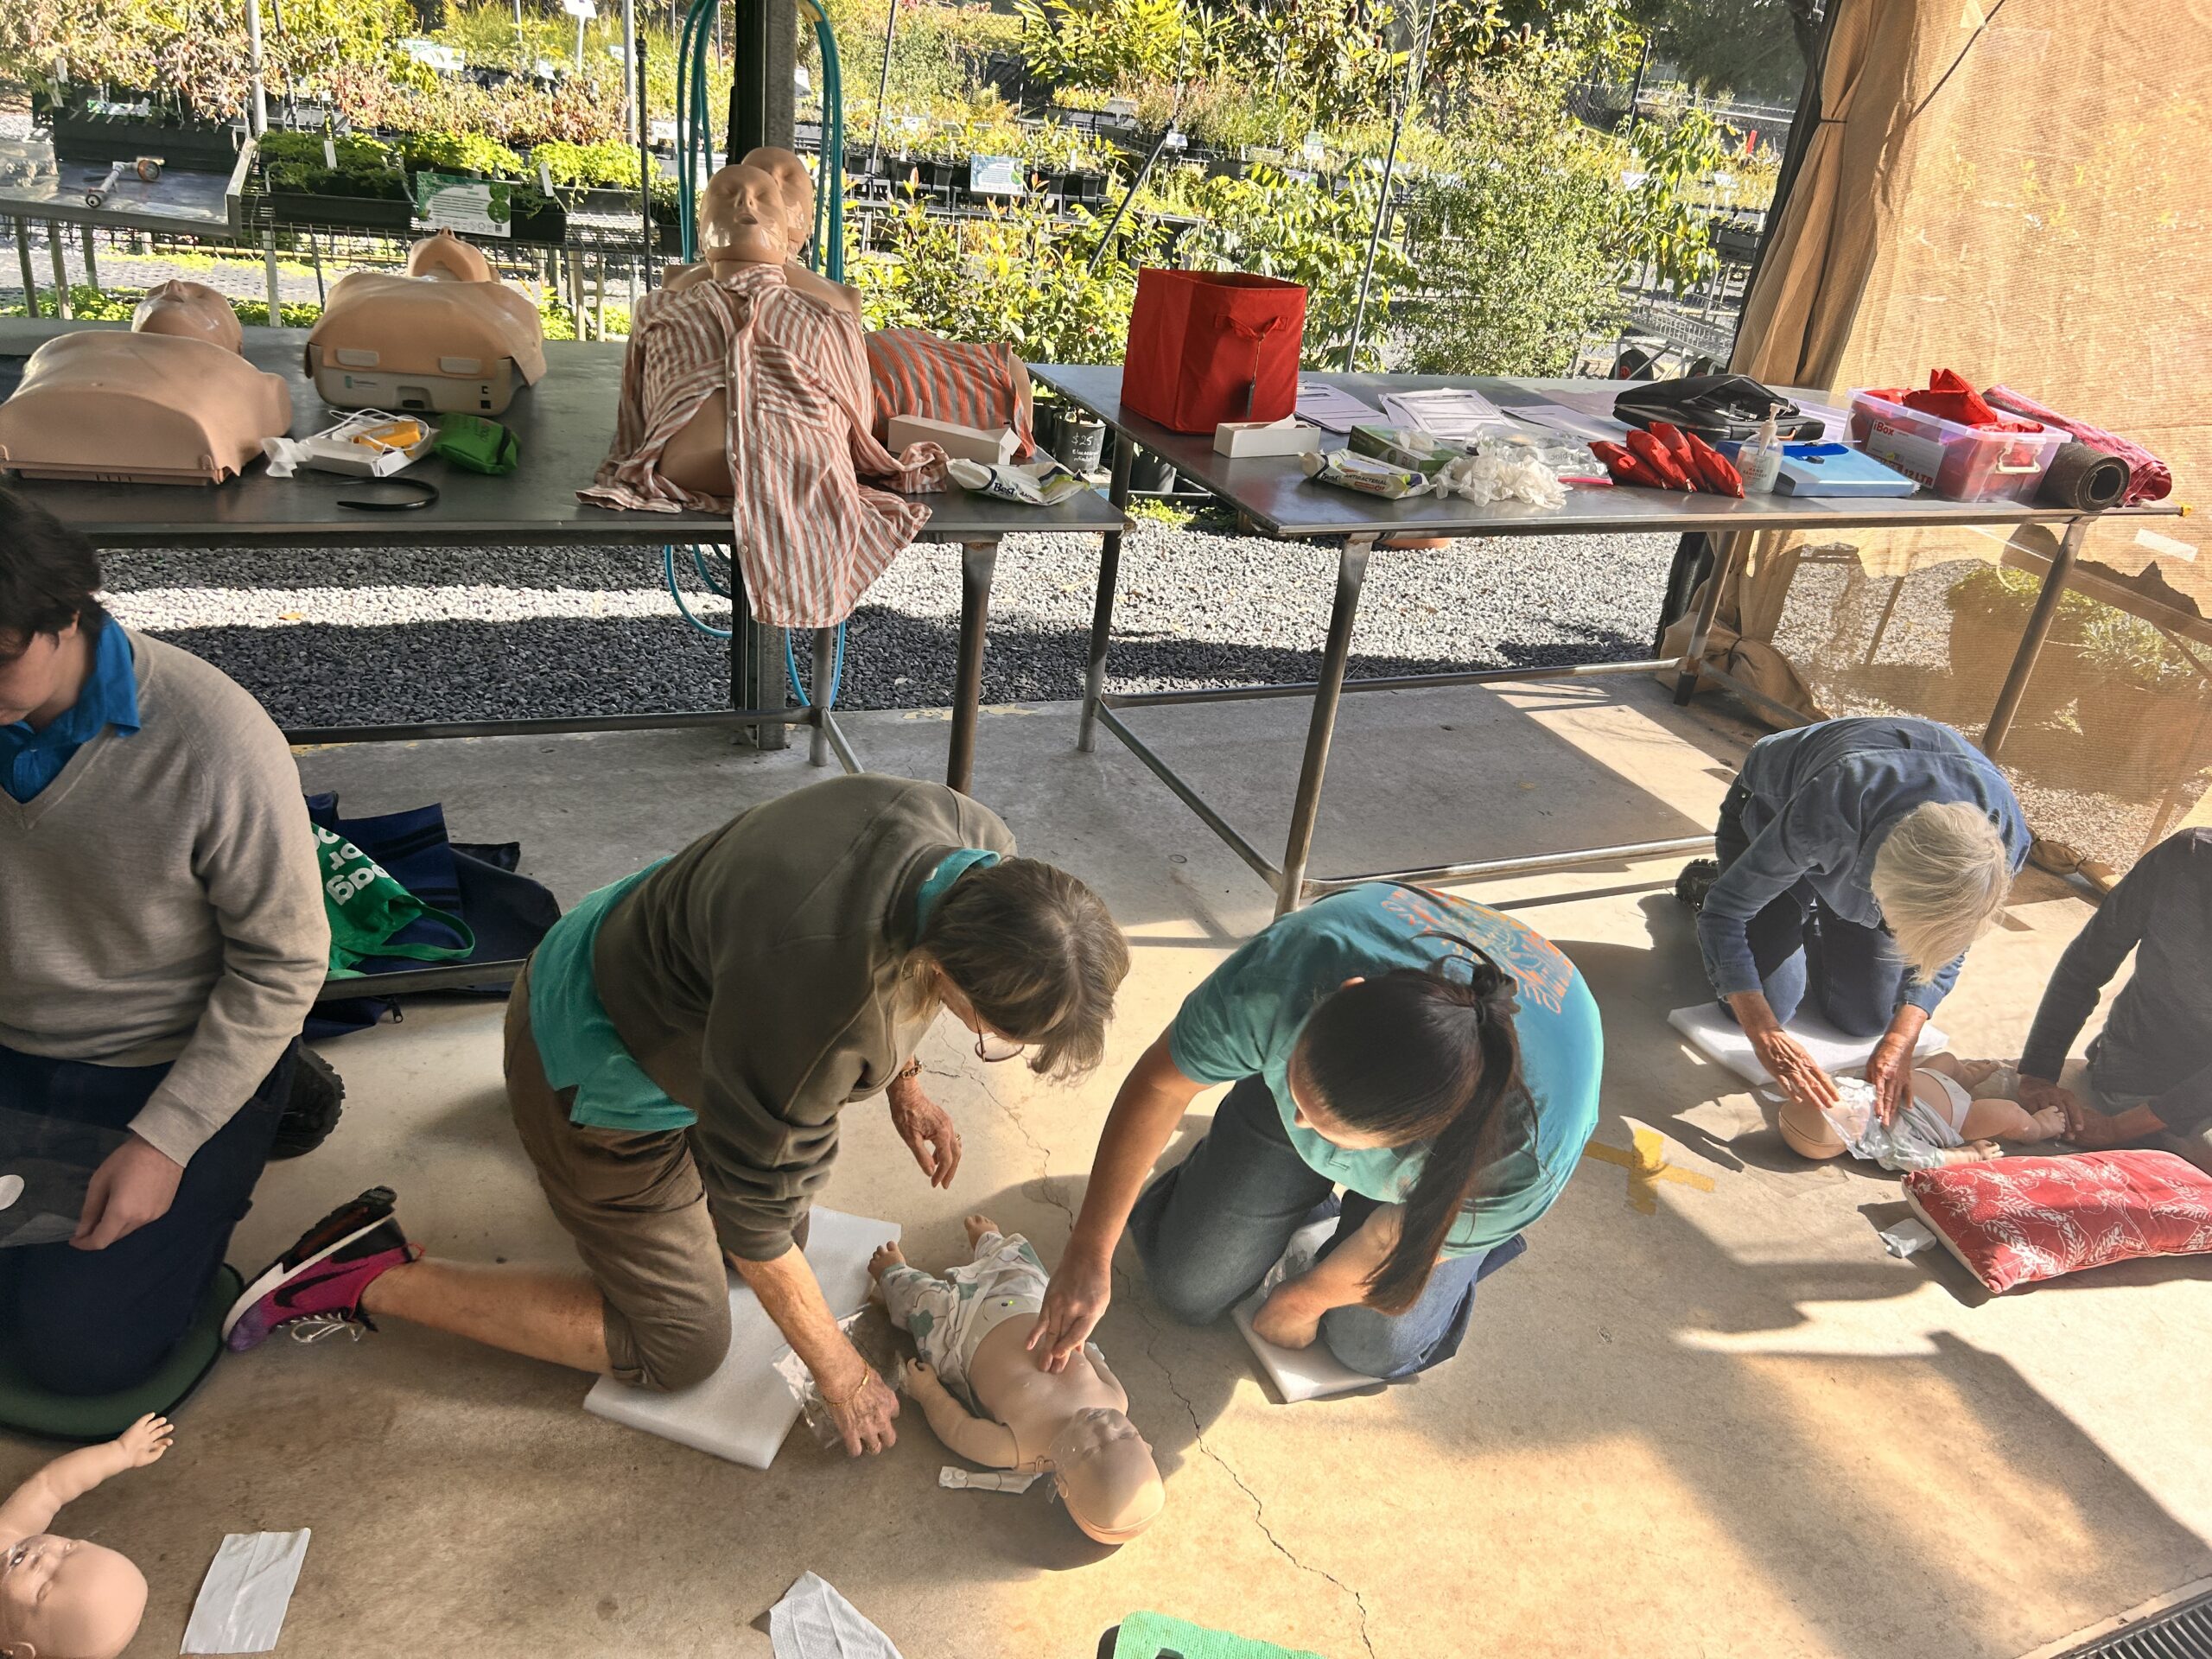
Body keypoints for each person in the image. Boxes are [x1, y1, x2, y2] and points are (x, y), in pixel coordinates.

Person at [228, 775, 1128, 1459]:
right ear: (949, 968)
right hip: (590, 1060)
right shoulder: (822, 1002)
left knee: (786, 1240)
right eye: (992, 1034)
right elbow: (754, 1221)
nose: (981, 1040)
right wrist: (841, 1373)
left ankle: (562, 1162)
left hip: (640, 949)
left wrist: (904, 1083)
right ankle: (363, 1271)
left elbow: (904, 989)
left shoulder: (974, 847)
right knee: (682, 1346)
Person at [0, 491, 327, 1397]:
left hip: (160, 1053)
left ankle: (267, 1105)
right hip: (15, 1037)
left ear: (67, 616)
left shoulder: (214, 737)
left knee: (78, 1356)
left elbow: (286, 959)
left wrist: (167, 1140)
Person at [1030, 882, 1603, 1382]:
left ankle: (1467, 1239)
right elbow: (1161, 1086)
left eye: (1330, 1130)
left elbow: (1383, 1247)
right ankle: (1303, 1145)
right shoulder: (1287, 975)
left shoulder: (1525, 1147)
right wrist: (1089, 1249)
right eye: (1299, 1094)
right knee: (1189, 1286)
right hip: (1393, 984)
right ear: (1342, 992)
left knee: (1371, 1346)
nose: (1301, 1126)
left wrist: (1303, 1300)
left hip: (1484, 1125)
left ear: (1420, 1137)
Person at [1688, 716, 2028, 1127]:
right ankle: (1716, 881)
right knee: (1765, 1003)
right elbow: (1725, 914)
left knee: (1868, 1020)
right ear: (1876, 885)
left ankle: (1811, 911)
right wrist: (1764, 1033)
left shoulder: (2003, 843)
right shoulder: (1833, 803)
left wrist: (1903, 1038)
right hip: (1771, 808)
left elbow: (1951, 941)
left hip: (1862, 847)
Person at [870, 1214, 1164, 1544]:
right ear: (1144, 1442)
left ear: (1063, 1483)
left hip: (959, 1330)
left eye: (1093, 1449)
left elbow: (958, 1429)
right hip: (1034, 1305)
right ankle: (990, 1242)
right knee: (1024, 1265)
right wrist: (1081, 1342)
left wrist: (928, 1393)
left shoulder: (1015, 1450)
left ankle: (894, 1274)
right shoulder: (1117, 1401)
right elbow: (1096, 1359)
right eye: (1127, 1434)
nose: (1105, 1425)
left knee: (921, 1305)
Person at [2011, 827, 2212, 1157]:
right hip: (2137, 1065)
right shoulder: (2185, 857)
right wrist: (2039, 1073)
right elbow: (2085, 965)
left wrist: (2120, 1128)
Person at [0, 1412, 175, 1659]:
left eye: (43, 1589)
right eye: (68, 1549)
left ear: (20, 1651)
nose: (44, 1557)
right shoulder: (7, 1539)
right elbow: (50, 1486)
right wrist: (120, 1452)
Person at [1777, 1054, 2066, 1170]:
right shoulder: (1889, 1143)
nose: (1853, 1101)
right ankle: (2039, 1128)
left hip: (1925, 1078)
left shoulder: (1853, 1095)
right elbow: (1928, 1159)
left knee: (1947, 1060)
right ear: (1851, 1135)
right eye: (1850, 1111)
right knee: (2008, 1113)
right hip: (1959, 1117)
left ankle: (1964, 1077)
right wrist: (1971, 1154)